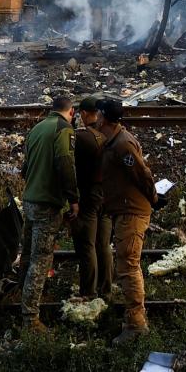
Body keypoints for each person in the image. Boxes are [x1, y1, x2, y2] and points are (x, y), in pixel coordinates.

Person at [97, 98, 160, 345]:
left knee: (128, 265)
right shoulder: (114, 141)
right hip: (123, 210)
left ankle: (136, 324)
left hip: (132, 212)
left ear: (103, 117)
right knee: (126, 263)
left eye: (98, 115)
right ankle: (133, 317)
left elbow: (142, 174)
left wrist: (153, 197)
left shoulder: (123, 145)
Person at [19, 95, 79, 332]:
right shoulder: (63, 130)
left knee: (27, 254)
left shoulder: (36, 128)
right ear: (71, 112)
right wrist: (74, 199)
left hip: (30, 199)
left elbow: (25, 168)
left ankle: (19, 297)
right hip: (47, 203)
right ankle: (30, 318)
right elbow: (65, 163)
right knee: (40, 259)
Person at [72, 97, 112, 299]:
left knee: (87, 244)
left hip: (89, 194)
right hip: (107, 194)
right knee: (103, 244)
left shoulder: (81, 137)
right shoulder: (107, 134)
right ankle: (106, 289)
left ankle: (88, 291)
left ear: (85, 113)